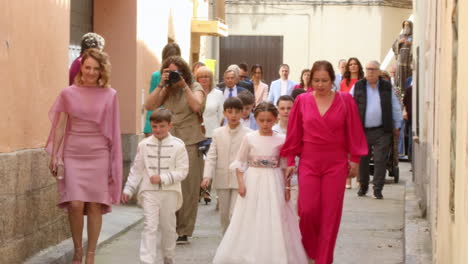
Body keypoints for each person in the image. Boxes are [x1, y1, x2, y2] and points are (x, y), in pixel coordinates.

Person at [280, 60, 368, 264]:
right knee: (307, 211)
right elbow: (294, 133)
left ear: (332, 80)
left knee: (330, 215)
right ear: (310, 80)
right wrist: (291, 159)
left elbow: (354, 131)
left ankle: (323, 259)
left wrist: (354, 160)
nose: (320, 84)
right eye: (316, 80)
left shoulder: (345, 100)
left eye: (324, 80)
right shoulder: (301, 100)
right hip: (309, 162)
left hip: (336, 164)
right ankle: (310, 251)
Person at [46, 48, 122, 264]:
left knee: (95, 204)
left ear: (102, 71)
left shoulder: (111, 95)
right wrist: (55, 155)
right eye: (87, 67)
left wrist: (113, 162)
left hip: (99, 154)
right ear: (81, 67)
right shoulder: (67, 93)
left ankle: (91, 254)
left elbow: (114, 130)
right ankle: (78, 249)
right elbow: (60, 126)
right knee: (76, 203)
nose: (90, 72)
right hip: (73, 153)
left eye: (96, 69)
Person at [213, 102, 308, 264]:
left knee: (275, 213)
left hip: (274, 180)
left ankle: (276, 253)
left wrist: (287, 187)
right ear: (255, 119)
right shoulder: (249, 138)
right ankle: (248, 252)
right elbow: (240, 162)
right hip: (253, 179)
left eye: (269, 120)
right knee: (251, 214)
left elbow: (285, 164)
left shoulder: (282, 139)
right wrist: (241, 183)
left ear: (275, 119)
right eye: (262, 120)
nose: (265, 124)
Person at [144, 55, 206, 244]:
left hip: (189, 141)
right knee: (170, 186)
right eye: (169, 72)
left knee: (188, 187)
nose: (173, 76)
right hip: (169, 142)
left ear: (184, 72)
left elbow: (196, 105)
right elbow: (149, 105)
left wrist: (184, 85)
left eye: (176, 72)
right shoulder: (166, 89)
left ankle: (184, 230)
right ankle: (171, 226)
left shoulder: (195, 87)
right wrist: (162, 84)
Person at [122, 108, 189, 264]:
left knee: (168, 227)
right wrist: (129, 188)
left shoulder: (178, 145)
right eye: (154, 126)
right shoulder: (144, 145)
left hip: (170, 192)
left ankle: (168, 256)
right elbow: (137, 169)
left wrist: (163, 178)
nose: (158, 130)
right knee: (150, 226)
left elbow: (183, 171)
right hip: (149, 192)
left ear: (170, 126)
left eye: (162, 126)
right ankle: (147, 260)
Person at [350, 60, 402, 200]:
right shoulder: (358, 86)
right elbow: (349, 104)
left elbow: (395, 106)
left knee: (380, 160)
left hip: (382, 130)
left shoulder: (386, 86)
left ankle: (378, 189)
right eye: (368, 69)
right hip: (362, 130)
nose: (370, 72)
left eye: (373, 69)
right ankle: (363, 186)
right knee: (363, 160)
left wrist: (397, 125)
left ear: (379, 71)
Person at [201, 97, 252, 234]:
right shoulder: (217, 133)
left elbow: (250, 158)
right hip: (222, 178)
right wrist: (207, 176)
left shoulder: (249, 134)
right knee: (224, 215)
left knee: (234, 214)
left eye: (237, 112)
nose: (233, 115)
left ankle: (235, 244)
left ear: (243, 113)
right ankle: (225, 242)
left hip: (240, 180)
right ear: (224, 113)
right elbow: (211, 156)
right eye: (230, 112)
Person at [144, 43, 182, 137]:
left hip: (176, 123)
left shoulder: (182, 76)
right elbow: (151, 102)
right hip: (158, 121)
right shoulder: (157, 76)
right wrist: (149, 127)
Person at [273, 95, 299, 212]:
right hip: (276, 179)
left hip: (296, 178)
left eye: (289, 108)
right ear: (277, 109)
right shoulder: (272, 131)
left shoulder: (301, 129)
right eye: (282, 108)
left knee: (294, 213)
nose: (286, 111)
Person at [392, 20, 413, 91]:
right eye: (405, 25)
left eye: (408, 25)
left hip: (409, 60)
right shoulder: (400, 36)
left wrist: (411, 43)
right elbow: (393, 46)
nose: (406, 27)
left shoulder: (413, 36)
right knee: (399, 77)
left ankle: (407, 92)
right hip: (401, 61)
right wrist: (399, 42)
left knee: (408, 78)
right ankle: (399, 92)